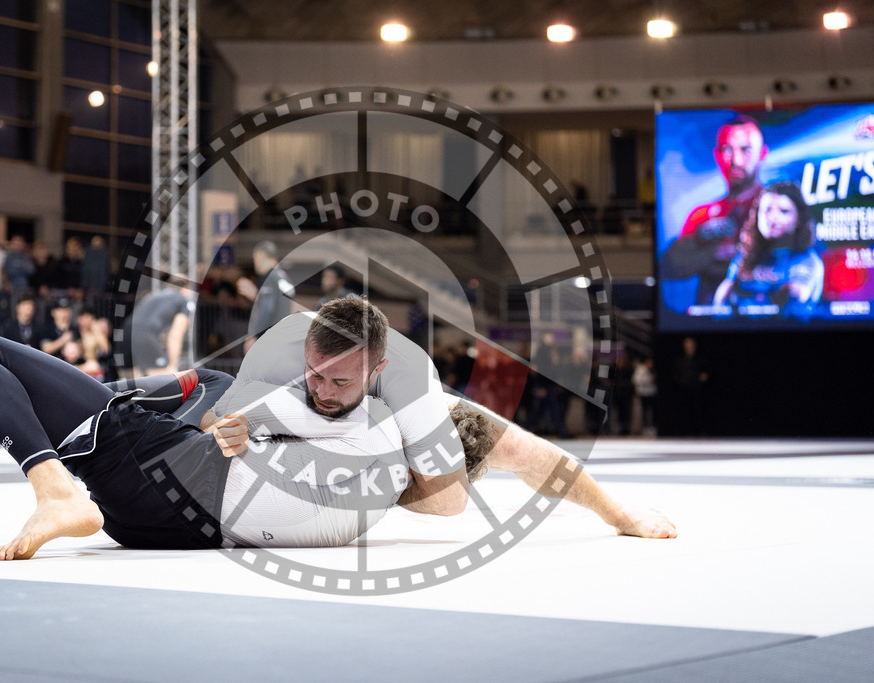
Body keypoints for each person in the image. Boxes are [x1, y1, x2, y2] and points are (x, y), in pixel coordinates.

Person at [204, 299, 676, 537]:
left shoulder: (411, 386)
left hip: (400, 425)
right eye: (315, 375)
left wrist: (369, 484)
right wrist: (230, 428)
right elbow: (214, 420)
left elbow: (448, 504)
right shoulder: (278, 346)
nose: (324, 391)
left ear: (376, 368)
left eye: (342, 382)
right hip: (294, 426)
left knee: (515, 447)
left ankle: (617, 513)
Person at [0, 324, 407, 559]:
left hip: (156, 479)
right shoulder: (367, 458)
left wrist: (78, 394)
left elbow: (125, 399)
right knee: (132, 404)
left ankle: (55, 493)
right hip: (171, 528)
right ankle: (67, 468)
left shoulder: (231, 389)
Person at [660, 115, 768, 305]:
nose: (736, 160)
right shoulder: (702, 216)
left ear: (762, 153)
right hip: (710, 320)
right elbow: (669, 267)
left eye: (746, 149)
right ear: (717, 155)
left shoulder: (779, 208)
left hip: (770, 319)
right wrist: (713, 253)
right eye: (727, 149)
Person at [712, 181, 823, 315]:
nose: (772, 218)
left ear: (798, 219)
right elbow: (721, 300)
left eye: (783, 211)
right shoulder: (745, 257)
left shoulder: (807, 260)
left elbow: (798, 295)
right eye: (767, 210)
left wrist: (746, 288)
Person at [237, 240, 295, 353]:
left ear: (261, 255)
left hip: (269, 339)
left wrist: (254, 336)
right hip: (281, 337)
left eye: (255, 259)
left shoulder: (269, 278)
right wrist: (256, 296)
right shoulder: (282, 276)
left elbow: (267, 308)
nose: (255, 264)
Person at [129, 285, 195, 376]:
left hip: (126, 332)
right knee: (166, 378)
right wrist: (173, 366)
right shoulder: (184, 300)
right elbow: (176, 335)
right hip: (145, 334)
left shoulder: (156, 296)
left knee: (134, 382)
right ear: (185, 289)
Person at [632, 356, 657, 436]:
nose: (650, 364)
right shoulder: (640, 369)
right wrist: (647, 381)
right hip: (642, 394)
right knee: (643, 411)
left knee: (651, 412)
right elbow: (635, 380)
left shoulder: (653, 370)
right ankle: (644, 428)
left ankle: (651, 427)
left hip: (651, 393)